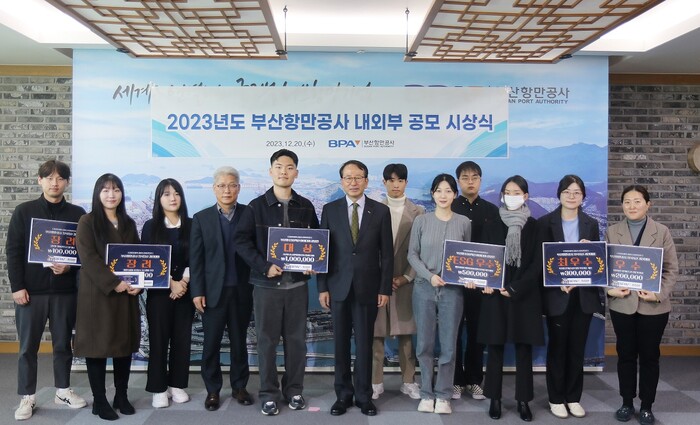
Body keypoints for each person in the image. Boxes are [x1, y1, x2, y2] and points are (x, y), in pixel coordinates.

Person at [234, 149, 319, 416]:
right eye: (279, 167)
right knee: (266, 342)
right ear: (271, 171)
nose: (284, 171)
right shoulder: (255, 207)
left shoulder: (306, 206)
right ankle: (268, 394)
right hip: (266, 287)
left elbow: (317, 241)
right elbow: (241, 241)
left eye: (289, 167)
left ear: (296, 173)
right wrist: (264, 266)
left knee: (296, 342)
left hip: (297, 287)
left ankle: (294, 390)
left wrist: (315, 262)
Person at [6, 160, 87, 421]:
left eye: (60, 178)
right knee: (27, 348)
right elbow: (13, 251)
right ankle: (27, 396)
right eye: (49, 178)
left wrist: (70, 267)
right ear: (39, 180)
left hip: (65, 293)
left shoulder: (78, 214)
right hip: (31, 293)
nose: (55, 183)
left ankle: (63, 390)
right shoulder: (24, 211)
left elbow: (85, 253)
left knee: (63, 345)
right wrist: (17, 287)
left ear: (67, 182)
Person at [318, 160, 393, 417]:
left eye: (358, 177)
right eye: (348, 177)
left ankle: (364, 396)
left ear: (366, 181)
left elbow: (387, 254)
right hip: (337, 287)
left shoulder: (380, 211)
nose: (353, 182)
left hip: (368, 288)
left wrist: (384, 288)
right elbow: (323, 251)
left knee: (364, 345)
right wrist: (322, 287)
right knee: (340, 345)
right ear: (341, 182)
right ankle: (343, 395)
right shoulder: (330, 210)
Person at [606, 185, 678, 425]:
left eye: (637, 201)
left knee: (649, 357)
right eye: (627, 201)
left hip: (653, 307)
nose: (632, 206)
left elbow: (671, 269)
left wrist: (657, 294)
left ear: (648, 204)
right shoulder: (612, 232)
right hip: (622, 305)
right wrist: (609, 290)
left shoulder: (662, 231)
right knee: (625, 356)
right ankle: (626, 402)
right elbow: (604, 268)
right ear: (622, 205)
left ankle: (647, 406)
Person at [74, 173, 141, 421]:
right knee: (98, 347)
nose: (111, 195)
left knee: (123, 346)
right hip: (98, 295)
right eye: (106, 190)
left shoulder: (129, 223)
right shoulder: (87, 221)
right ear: (97, 194)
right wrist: (115, 283)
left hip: (126, 295)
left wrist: (138, 283)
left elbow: (137, 257)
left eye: (116, 190)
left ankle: (121, 395)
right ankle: (99, 401)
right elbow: (88, 258)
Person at [538, 174, 604, 419]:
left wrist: (589, 250)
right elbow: (541, 263)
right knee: (557, 348)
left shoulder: (590, 224)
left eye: (577, 192)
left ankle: (573, 397)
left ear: (583, 196)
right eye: (567, 192)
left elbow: (596, 263)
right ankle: (556, 398)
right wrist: (558, 282)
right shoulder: (545, 223)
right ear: (559, 195)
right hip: (557, 296)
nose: (572, 196)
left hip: (583, 296)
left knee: (577, 349)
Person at [477, 175, 543, 421]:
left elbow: (537, 264)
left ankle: (523, 400)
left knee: (523, 349)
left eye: (517, 193)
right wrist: (487, 283)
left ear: (525, 196)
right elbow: (485, 259)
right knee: (495, 347)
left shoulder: (534, 226)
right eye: (507, 192)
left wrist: (516, 288)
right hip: (495, 295)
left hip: (524, 295)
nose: (511, 196)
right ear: (502, 196)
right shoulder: (491, 223)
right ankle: (494, 398)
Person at [190, 166, 253, 411]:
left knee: (239, 342)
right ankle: (213, 390)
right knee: (211, 344)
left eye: (232, 185)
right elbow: (196, 260)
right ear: (214, 188)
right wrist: (197, 291)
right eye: (222, 185)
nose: (227, 190)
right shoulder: (201, 218)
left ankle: (239, 387)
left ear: (239, 188)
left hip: (242, 290)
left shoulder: (249, 214)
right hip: (212, 293)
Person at [408, 173, 471, 415]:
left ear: (455, 194)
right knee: (424, 343)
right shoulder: (421, 221)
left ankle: (443, 394)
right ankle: (426, 393)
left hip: (452, 291)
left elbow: (468, 256)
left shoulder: (464, 222)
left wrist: (469, 277)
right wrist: (429, 275)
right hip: (424, 287)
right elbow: (412, 254)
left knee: (449, 345)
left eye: (448, 191)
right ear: (432, 194)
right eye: (439, 190)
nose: (443, 195)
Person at [371, 163, 424, 401]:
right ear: (384, 182)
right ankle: (375, 382)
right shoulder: (374, 209)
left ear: (406, 183)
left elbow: (421, 250)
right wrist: (380, 277)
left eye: (400, 180)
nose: (395, 185)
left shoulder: (419, 212)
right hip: (377, 282)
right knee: (376, 335)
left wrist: (406, 276)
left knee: (406, 336)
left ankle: (409, 381)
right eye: (391, 180)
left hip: (407, 281)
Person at [142, 179, 194, 408]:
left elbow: (196, 256)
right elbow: (149, 260)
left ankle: (177, 385)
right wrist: (171, 283)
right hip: (159, 293)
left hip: (185, 290)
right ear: (159, 199)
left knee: (182, 339)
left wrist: (183, 281)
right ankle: (158, 388)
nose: (172, 198)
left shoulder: (191, 225)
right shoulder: (150, 226)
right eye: (166, 194)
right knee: (159, 340)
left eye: (176, 193)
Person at [452, 160, 501, 400]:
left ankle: (474, 379)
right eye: (465, 177)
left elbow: (497, 247)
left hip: (482, 283)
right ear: (458, 181)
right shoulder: (450, 207)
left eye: (474, 177)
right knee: (453, 331)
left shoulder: (492, 211)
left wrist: (492, 279)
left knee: (477, 332)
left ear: (480, 180)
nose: (470, 182)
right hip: (455, 281)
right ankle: (456, 380)